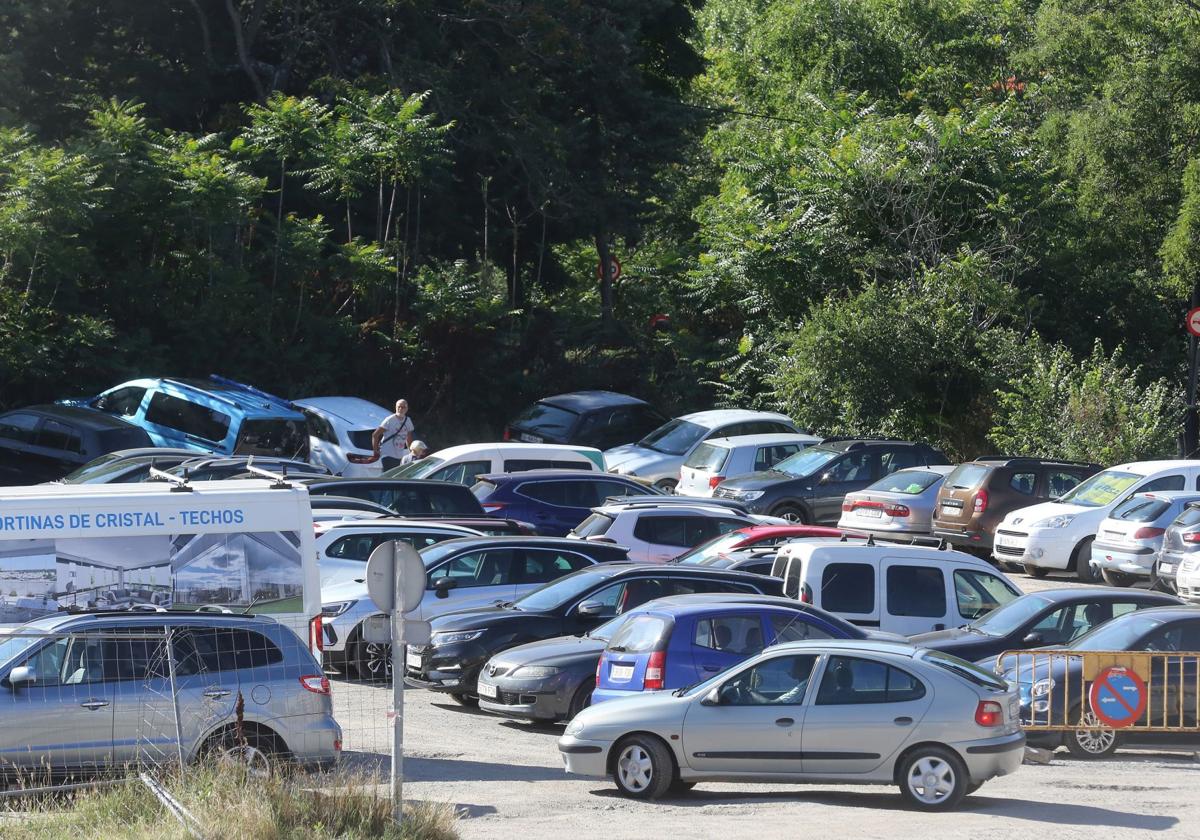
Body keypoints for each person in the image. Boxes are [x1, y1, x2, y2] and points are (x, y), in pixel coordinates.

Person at [372, 399, 415, 470]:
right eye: (399, 407)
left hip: (399, 455)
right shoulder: (389, 420)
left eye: (403, 407)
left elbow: (409, 438)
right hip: (387, 454)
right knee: (389, 478)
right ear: (396, 407)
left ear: (406, 409)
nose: (400, 409)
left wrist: (412, 453)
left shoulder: (408, 421)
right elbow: (375, 435)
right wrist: (375, 451)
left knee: (394, 478)